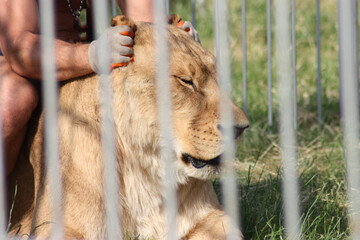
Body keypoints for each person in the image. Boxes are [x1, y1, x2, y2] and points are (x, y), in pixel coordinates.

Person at [0, 0, 198, 177]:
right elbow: (19, 47)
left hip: (74, 50)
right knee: (13, 98)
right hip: (13, 62)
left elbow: (147, 19)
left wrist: (174, 37)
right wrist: (92, 55)